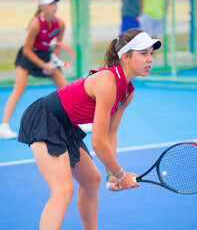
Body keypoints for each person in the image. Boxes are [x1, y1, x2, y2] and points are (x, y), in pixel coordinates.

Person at [17, 29, 161, 230]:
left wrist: (111, 174)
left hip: (66, 125)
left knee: (92, 180)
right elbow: (98, 142)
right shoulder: (107, 83)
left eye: (151, 54)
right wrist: (121, 175)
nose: (150, 59)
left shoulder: (127, 92)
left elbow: (111, 133)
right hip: (45, 118)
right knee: (63, 190)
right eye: (143, 53)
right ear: (126, 57)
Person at [0, 0, 67, 139]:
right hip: (27, 57)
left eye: (55, 3)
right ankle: (3, 127)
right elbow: (27, 50)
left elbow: (57, 45)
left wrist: (52, 61)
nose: (53, 7)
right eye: (50, 4)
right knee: (18, 89)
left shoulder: (60, 24)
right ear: (42, 6)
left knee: (65, 88)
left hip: (46, 55)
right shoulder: (36, 24)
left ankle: (78, 121)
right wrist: (42, 64)